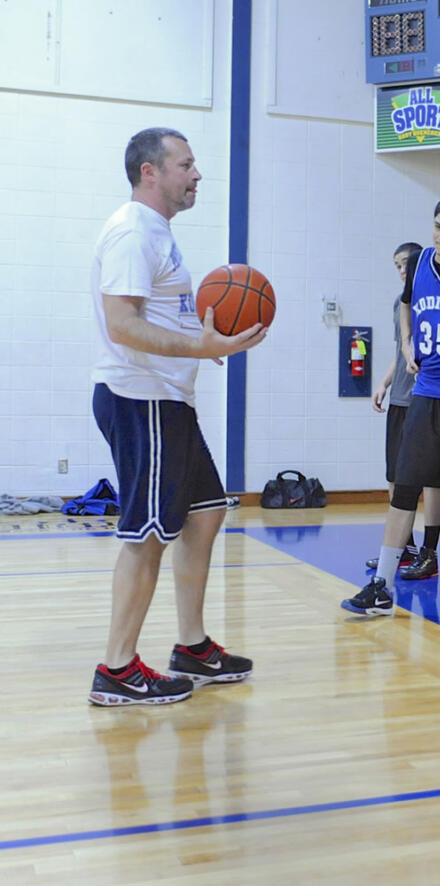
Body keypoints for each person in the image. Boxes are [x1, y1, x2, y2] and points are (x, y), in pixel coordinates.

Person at [88, 127, 266, 705]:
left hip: (169, 399)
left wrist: (202, 337)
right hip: (142, 398)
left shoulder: (158, 233)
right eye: (186, 165)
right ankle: (116, 669)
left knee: (207, 513)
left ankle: (191, 647)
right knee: (148, 535)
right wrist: (205, 348)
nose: (196, 175)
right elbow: (123, 324)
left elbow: (157, 317)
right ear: (150, 172)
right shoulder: (132, 232)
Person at [342, 196, 440, 617]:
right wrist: (408, 340)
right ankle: (382, 584)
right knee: (403, 489)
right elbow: (408, 305)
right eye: (438, 227)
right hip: (425, 394)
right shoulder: (418, 265)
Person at [359, 242, 440, 587]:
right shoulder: (401, 303)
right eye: (396, 265)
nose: (401, 270)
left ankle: (430, 550)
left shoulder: (433, 302)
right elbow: (401, 350)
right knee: (396, 477)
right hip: (399, 398)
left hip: (427, 400)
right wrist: (383, 382)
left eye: (406, 264)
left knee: (432, 480)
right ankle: (403, 548)